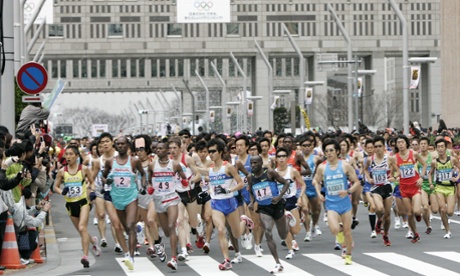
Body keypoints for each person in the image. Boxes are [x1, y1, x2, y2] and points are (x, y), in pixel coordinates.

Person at [206, 138, 253, 271]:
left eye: (213, 151)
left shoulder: (228, 167)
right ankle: (226, 260)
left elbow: (240, 183)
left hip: (230, 203)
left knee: (237, 234)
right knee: (221, 229)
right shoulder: (210, 169)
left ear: (220, 152)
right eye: (209, 151)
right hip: (216, 204)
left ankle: (244, 220)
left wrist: (229, 190)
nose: (211, 154)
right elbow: (207, 181)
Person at [313, 138, 361, 265]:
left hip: (345, 203)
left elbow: (357, 182)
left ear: (337, 152)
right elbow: (316, 181)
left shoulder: (345, 165)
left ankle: (348, 255)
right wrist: (319, 193)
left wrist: (348, 191)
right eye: (326, 151)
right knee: (334, 229)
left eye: (331, 150)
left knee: (347, 231)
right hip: (331, 203)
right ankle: (340, 236)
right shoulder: (322, 167)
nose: (328, 153)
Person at [103, 136, 147, 270]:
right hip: (117, 198)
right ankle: (135, 239)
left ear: (128, 146)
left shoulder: (134, 161)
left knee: (130, 224)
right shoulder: (110, 162)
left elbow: (143, 174)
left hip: (131, 196)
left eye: (123, 144)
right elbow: (103, 176)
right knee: (126, 229)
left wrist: (143, 186)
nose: (121, 146)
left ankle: (130, 257)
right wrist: (107, 181)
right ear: (116, 146)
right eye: (118, 144)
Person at [53, 146, 101, 268]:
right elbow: (55, 187)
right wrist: (62, 192)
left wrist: (92, 190)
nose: (68, 157)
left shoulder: (84, 169)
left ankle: (85, 256)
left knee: (81, 227)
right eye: (66, 154)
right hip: (70, 204)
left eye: (70, 154)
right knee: (81, 231)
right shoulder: (62, 171)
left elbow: (92, 182)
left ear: (76, 156)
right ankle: (93, 242)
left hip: (83, 202)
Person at [148, 141, 187, 270]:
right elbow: (149, 179)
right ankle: (170, 239)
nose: (158, 150)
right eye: (156, 149)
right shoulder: (152, 165)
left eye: (160, 148)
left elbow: (183, 176)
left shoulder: (175, 164)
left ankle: (173, 258)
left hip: (171, 198)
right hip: (158, 199)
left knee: (171, 226)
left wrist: (184, 182)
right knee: (166, 232)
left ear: (166, 151)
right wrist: (149, 187)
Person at [248, 155, 290, 273]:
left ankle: (287, 219)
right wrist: (252, 202)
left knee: (283, 235)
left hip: (276, 205)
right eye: (251, 163)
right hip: (263, 208)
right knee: (267, 231)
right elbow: (251, 191)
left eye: (255, 163)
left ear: (261, 163)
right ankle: (277, 262)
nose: (253, 165)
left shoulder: (270, 173)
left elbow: (286, 183)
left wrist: (279, 196)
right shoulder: (250, 177)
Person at [389, 135, 426, 243]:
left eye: (402, 142)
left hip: (415, 186)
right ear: (396, 145)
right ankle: (415, 234)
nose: (400, 144)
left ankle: (418, 215)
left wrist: (421, 177)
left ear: (406, 143)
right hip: (404, 188)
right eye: (398, 142)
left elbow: (424, 165)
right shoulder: (394, 158)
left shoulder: (413, 154)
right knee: (409, 214)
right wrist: (393, 178)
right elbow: (393, 173)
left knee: (416, 211)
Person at [363, 136, 394, 246]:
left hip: (387, 186)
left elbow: (398, 171)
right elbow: (365, 169)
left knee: (388, 215)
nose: (377, 148)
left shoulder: (389, 158)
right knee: (379, 208)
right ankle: (379, 220)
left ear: (384, 147)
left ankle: (385, 234)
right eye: (375, 146)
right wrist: (369, 178)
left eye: (380, 146)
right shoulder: (370, 159)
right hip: (376, 187)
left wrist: (393, 177)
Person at [428, 138, 460, 239]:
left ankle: (447, 212)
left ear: (446, 148)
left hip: (450, 188)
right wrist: (431, 183)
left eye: (442, 147)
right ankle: (447, 230)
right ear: (436, 149)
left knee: (450, 212)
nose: (440, 149)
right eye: (438, 147)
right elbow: (430, 174)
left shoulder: (452, 159)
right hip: (439, 187)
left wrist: (457, 177)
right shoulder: (434, 162)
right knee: (442, 210)